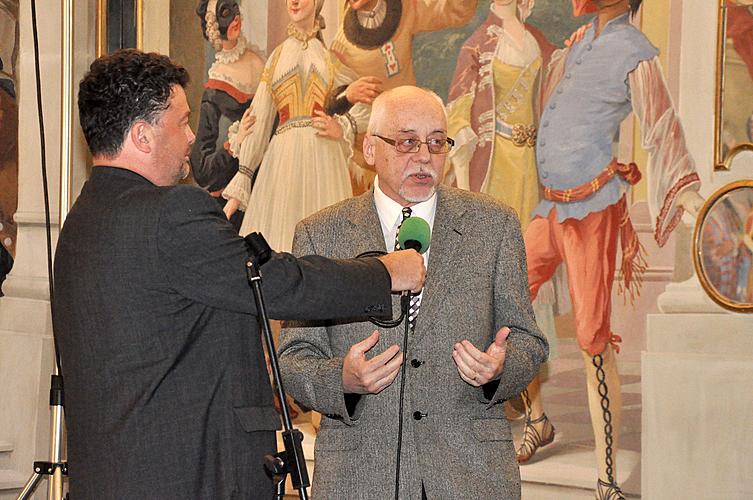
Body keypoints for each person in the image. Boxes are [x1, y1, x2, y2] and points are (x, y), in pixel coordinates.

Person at [53, 49, 426, 499]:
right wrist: (385, 273)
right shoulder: (170, 214)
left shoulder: (79, 223)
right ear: (142, 136)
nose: (192, 136)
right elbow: (278, 283)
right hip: (190, 477)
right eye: (181, 121)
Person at [278, 86, 548, 499]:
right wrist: (343, 379)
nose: (424, 156)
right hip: (360, 476)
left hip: (470, 475)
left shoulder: (493, 225)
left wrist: (500, 368)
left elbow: (529, 341)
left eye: (437, 142)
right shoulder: (322, 234)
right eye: (407, 141)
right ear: (370, 149)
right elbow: (293, 360)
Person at [521, 1, 705, 498]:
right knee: (501, 297)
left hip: (593, 211)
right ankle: (538, 420)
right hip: (550, 209)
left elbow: (661, 125)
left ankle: (605, 479)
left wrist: (687, 192)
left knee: (591, 340)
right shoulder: (576, 45)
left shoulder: (635, 51)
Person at [223, 0, 367, 252]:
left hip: (325, 156)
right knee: (281, 243)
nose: (295, 2)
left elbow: (366, 107)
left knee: (327, 246)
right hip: (283, 159)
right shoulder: (278, 57)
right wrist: (239, 188)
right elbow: (259, 118)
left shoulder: (330, 59)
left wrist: (342, 127)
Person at [190, 0, 265, 230]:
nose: (234, 19)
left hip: (263, 181)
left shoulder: (258, 62)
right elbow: (202, 169)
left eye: (234, 10)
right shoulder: (215, 89)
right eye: (225, 13)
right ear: (213, 25)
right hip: (229, 197)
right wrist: (235, 143)